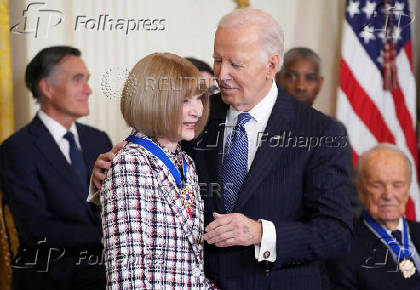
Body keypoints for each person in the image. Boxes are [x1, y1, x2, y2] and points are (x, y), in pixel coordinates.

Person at [92, 8, 354, 290]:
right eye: (217, 60)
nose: (221, 75)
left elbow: (336, 233)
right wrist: (103, 184)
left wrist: (260, 233)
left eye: (236, 64)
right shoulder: (192, 116)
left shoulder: (320, 132)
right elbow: (146, 202)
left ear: (271, 65)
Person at [98, 53, 217, 289]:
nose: (197, 110)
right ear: (154, 100)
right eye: (185, 101)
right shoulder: (130, 163)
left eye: (199, 98)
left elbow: (189, 264)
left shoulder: (186, 163)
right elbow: (128, 276)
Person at [0, 46, 111, 290]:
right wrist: (108, 235)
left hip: (104, 265)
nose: (88, 89)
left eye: (88, 80)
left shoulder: (98, 140)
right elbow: (36, 231)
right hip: (51, 272)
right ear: (47, 88)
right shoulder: (17, 149)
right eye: (77, 80)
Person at [327, 144, 420, 289]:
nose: (388, 195)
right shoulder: (344, 251)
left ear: (408, 188)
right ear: (360, 190)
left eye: (397, 185)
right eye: (377, 185)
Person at [277, 47, 363, 219]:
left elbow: (346, 196)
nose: (300, 86)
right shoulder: (260, 123)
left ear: (320, 84)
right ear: (278, 79)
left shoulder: (332, 130)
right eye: (292, 76)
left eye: (309, 78)